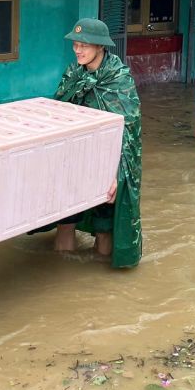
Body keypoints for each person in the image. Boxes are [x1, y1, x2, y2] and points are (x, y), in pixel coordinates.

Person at [51, 18, 142, 268]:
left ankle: (101, 285)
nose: (78, 50)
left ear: (101, 46)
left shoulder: (118, 79)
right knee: (65, 221)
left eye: (84, 45)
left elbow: (129, 133)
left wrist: (116, 175)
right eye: (75, 45)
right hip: (73, 163)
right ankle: (61, 283)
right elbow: (57, 115)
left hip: (105, 165)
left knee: (104, 229)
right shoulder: (74, 74)